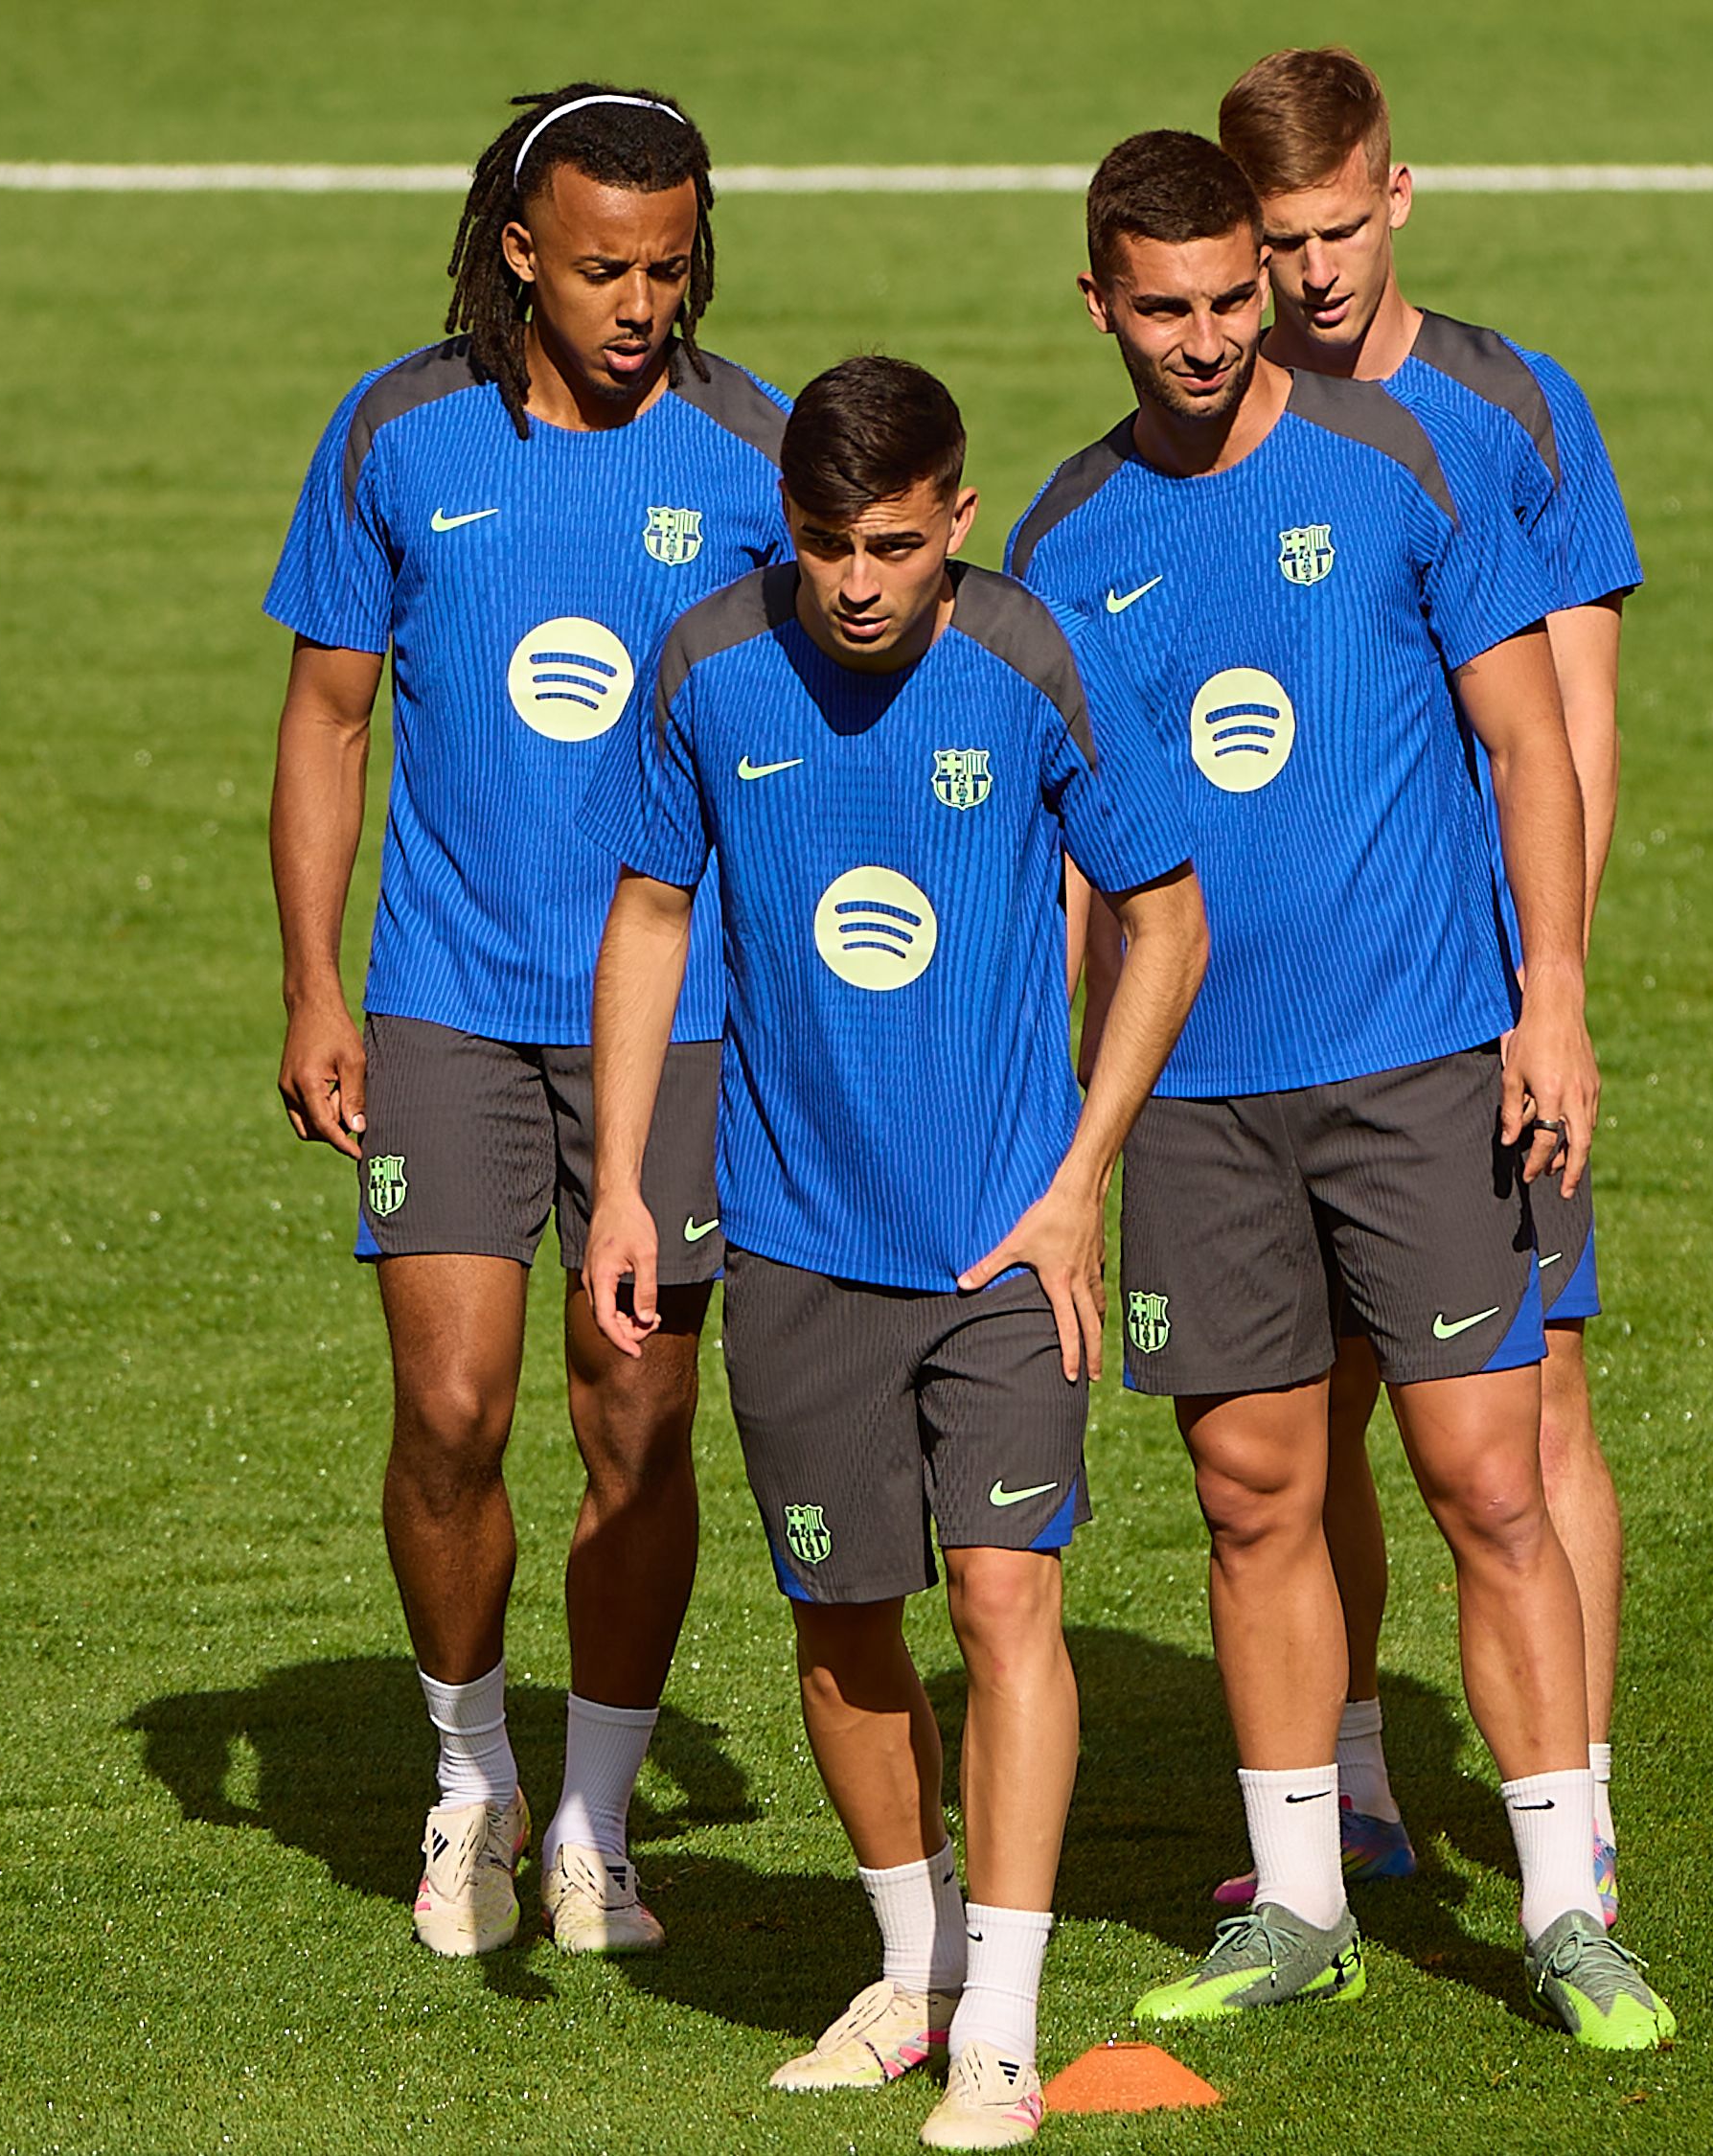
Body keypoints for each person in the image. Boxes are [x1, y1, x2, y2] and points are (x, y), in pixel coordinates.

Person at [1005, 129, 1674, 2048]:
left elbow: (1528, 746)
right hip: (1198, 1099)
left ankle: (1564, 1905)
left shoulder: (1409, 459)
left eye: (1233, 298)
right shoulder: (1062, 541)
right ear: (1099, 303)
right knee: (1246, 1491)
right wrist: (1051, 1137)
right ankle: (1298, 1894)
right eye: (1167, 307)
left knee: (1486, 1477)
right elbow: (1062, 872)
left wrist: (1549, 996)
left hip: (1417, 1061)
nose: (1211, 336)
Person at [580, 356, 1204, 2144]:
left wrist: (1082, 1169)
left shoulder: (1028, 661)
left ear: (962, 519)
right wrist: (625, 1179)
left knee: (1007, 1598)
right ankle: (913, 1966)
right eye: (830, 545)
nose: (860, 583)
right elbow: (646, 909)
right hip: (786, 1235)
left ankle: (1001, 2015)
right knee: (845, 1623)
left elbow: (1165, 915)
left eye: (897, 546)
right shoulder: (707, 665)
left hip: (1001, 1243)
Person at [262, 81, 788, 1959]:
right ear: (515, 251)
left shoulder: (756, 454)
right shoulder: (400, 433)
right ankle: (472, 1774)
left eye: (665, 267)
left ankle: (594, 1819)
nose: (638, 303)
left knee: (637, 1425)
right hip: (449, 1005)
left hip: (685, 1023)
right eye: (597, 270)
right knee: (452, 1412)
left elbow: (822, 738)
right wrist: (318, 984)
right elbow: (330, 715)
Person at [1203, 42, 1649, 1919]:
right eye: (1278, 240)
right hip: (1275, 1038)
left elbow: (1576, 729)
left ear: (1401, 192)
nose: (1313, 273)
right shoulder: (1209, 421)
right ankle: (1359, 1790)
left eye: (1338, 225)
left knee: (1526, 1416)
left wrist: (1546, 985)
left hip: (1466, 1018)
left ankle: (1582, 1809)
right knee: (1308, 1427)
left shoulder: (1507, 409)